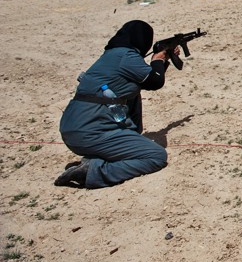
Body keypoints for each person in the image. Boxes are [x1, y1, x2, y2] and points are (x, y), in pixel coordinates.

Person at [54, 20, 176, 188]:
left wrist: (162, 61)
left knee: (132, 92)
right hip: (91, 131)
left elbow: (147, 81)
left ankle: (110, 150)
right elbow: (155, 82)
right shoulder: (127, 56)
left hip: (75, 128)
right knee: (155, 156)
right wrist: (157, 60)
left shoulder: (111, 56)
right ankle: (92, 172)